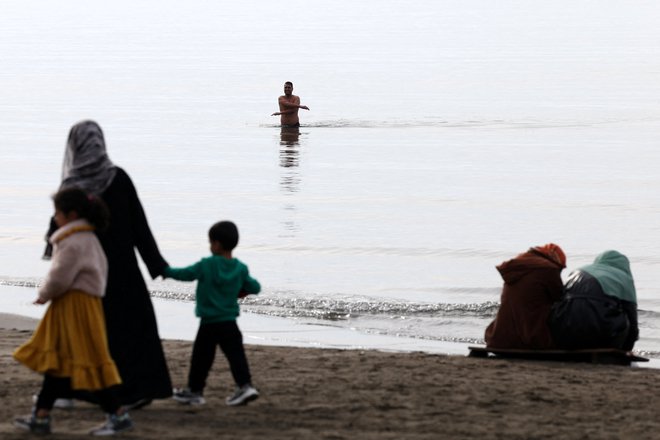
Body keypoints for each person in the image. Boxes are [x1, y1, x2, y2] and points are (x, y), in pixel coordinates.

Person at [43, 120, 172, 408]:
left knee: (80, 330)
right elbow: (140, 225)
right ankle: (139, 390)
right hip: (124, 270)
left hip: (85, 274)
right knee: (131, 329)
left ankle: (68, 392)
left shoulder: (72, 185)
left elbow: (58, 231)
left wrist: (52, 259)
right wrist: (156, 264)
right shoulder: (119, 178)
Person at [14, 188, 133, 436]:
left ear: (71, 214)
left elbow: (59, 277)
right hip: (79, 305)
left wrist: (43, 294)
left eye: (57, 212)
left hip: (75, 307)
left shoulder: (73, 242)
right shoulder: (89, 239)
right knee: (59, 361)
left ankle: (118, 415)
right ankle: (41, 416)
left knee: (89, 359)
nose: (55, 217)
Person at [164, 221, 261, 406]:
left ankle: (195, 391)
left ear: (216, 244)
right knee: (236, 356)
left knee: (201, 358)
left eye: (210, 242)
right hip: (229, 323)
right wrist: (241, 287)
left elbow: (185, 274)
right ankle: (245, 386)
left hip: (209, 322)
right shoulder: (240, 268)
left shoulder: (206, 265)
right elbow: (255, 287)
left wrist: (165, 271)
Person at [548, 250, 638, 351]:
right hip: (599, 335)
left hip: (564, 331)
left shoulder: (579, 270)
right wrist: (627, 349)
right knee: (626, 318)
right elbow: (632, 319)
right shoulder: (624, 278)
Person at [484, 244, 567, 349]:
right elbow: (560, 297)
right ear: (556, 261)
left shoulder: (518, 265)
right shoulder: (549, 269)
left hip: (500, 338)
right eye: (560, 269)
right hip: (530, 340)